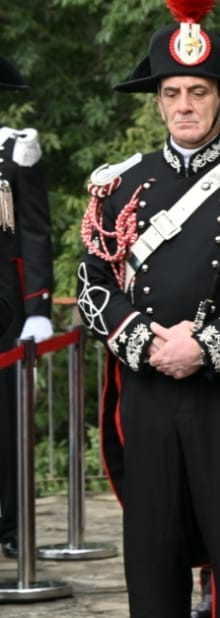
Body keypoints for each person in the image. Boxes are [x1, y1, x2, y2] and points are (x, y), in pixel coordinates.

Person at [75, 0, 220, 618]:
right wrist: (141, 340)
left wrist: (209, 343)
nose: (184, 105)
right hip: (150, 389)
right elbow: (92, 279)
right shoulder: (119, 183)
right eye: (172, 93)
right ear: (158, 101)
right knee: (152, 564)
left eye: (198, 92)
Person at [0, 54, 53, 561]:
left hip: (4, 306)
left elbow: (35, 230)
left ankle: (11, 522)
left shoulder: (15, 150)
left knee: (7, 420)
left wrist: (39, 305)